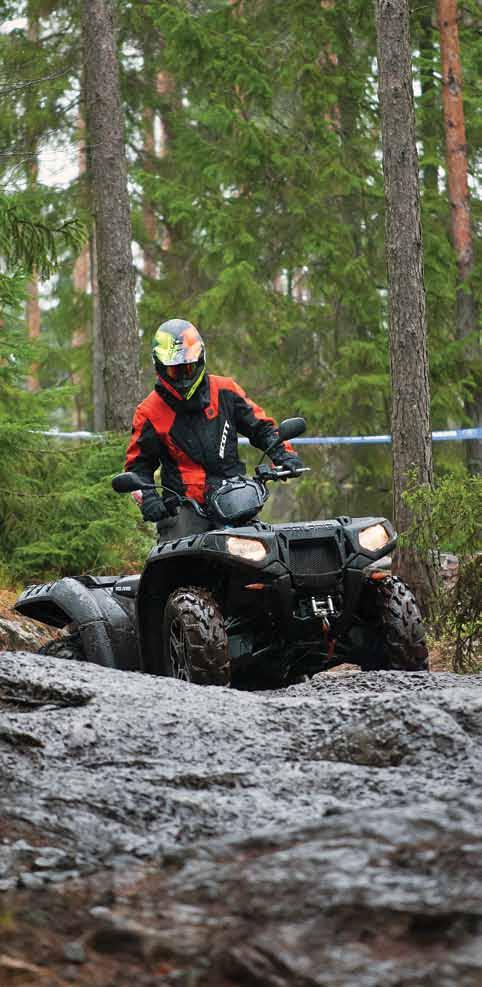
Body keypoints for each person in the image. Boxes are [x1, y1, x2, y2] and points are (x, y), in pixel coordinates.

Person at [125, 318, 305, 534]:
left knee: (263, 553)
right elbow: (137, 468)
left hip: (235, 499)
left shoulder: (225, 390)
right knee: (174, 561)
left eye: (188, 368)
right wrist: (149, 500)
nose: (182, 377)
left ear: (200, 360)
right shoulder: (149, 412)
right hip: (183, 509)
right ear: (160, 368)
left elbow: (262, 427)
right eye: (175, 371)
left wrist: (284, 454)